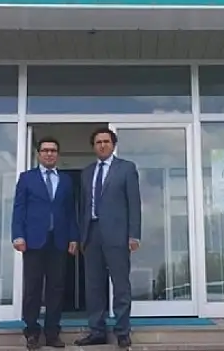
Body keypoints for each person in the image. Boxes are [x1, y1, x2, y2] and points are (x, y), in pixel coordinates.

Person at [75, 128, 142, 349]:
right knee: (93, 286)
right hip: (91, 234)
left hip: (117, 235)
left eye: (106, 141)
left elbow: (134, 203)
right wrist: (81, 237)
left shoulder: (126, 168)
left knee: (120, 284)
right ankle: (97, 331)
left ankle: (122, 331)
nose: (102, 145)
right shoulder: (86, 172)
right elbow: (82, 207)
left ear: (113, 145)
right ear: (93, 147)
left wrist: (134, 234)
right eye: (98, 142)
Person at [12, 136, 79, 350]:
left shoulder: (66, 180)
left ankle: (52, 333)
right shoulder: (27, 178)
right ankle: (32, 332)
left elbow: (71, 212)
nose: (49, 154)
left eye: (53, 150)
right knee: (33, 287)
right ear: (38, 154)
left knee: (56, 288)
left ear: (57, 154)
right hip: (33, 241)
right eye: (45, 150)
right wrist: (18, 235)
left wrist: (73, 237)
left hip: (59, 241)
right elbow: (19, 208)